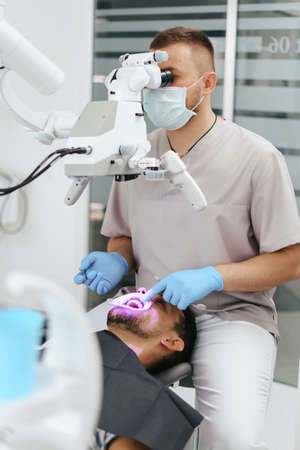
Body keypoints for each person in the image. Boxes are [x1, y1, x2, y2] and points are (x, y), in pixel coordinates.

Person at [75, 27, 300, 449]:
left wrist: (214, 276)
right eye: (152, 79)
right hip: (146, 309)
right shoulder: (137, 151)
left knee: (232, 436)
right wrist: (117, 260)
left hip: (232, 314)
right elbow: (121, 234)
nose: (156, 90)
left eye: (170, 78)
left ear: (208, 83)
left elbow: (291, 260)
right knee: (56, 382)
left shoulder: (256, 157)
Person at [93, 291, 202, 450]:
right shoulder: (61, 340)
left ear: (171, 341)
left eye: (160, 304)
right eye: (139, 292)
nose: (143, 295)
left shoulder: (150, 405)